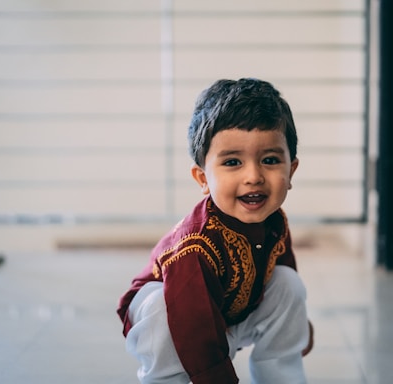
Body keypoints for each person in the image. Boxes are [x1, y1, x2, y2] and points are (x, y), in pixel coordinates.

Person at [117, 78, 314, 384]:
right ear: (203, 178)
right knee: (160, 304)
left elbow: (282, 265)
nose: (254, 176)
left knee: (288, 283)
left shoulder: (274, 219)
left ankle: (281, 377)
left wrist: (297, 324)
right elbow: (192, 327)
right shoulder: (196, 245)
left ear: (291, 171)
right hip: (173, 327)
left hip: (229, 314)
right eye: (233, 162)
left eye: (270, 160)